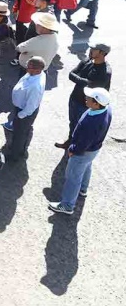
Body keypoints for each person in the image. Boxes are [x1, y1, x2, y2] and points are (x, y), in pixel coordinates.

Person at [48, 87, 112, 215]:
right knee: (87, 167)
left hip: (83, 151)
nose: (86, 99)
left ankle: (67, 205)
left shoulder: (92, 122)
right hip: (93, 150)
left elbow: (83, 143)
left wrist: (73, 150)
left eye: (89, 98)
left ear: (96, 103)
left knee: (73, 177)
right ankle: (83, 189)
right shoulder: (106, 109)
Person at [56, 40, 112, 150]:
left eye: (94, 49)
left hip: (86, 104)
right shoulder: (87, 60)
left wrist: (82, 81)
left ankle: (76, 148)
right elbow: (71, 74)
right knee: (73, 123)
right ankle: (70, 141)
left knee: (82, 127)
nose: (90, 50)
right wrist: (84, 81)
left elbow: (91, 86)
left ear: (102, 53)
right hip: (74, 98)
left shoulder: (105, 72)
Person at [3, 56, 46, 161]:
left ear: (38, 70)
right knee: (22, 132)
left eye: (29, 67)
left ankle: (15, 156)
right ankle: (21, 149)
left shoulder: (36, 86)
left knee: (19, 134)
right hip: (21, 109)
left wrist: (20, 115)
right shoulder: (34, 74)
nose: (27, 68)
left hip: (24, 112)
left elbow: (31, 106)